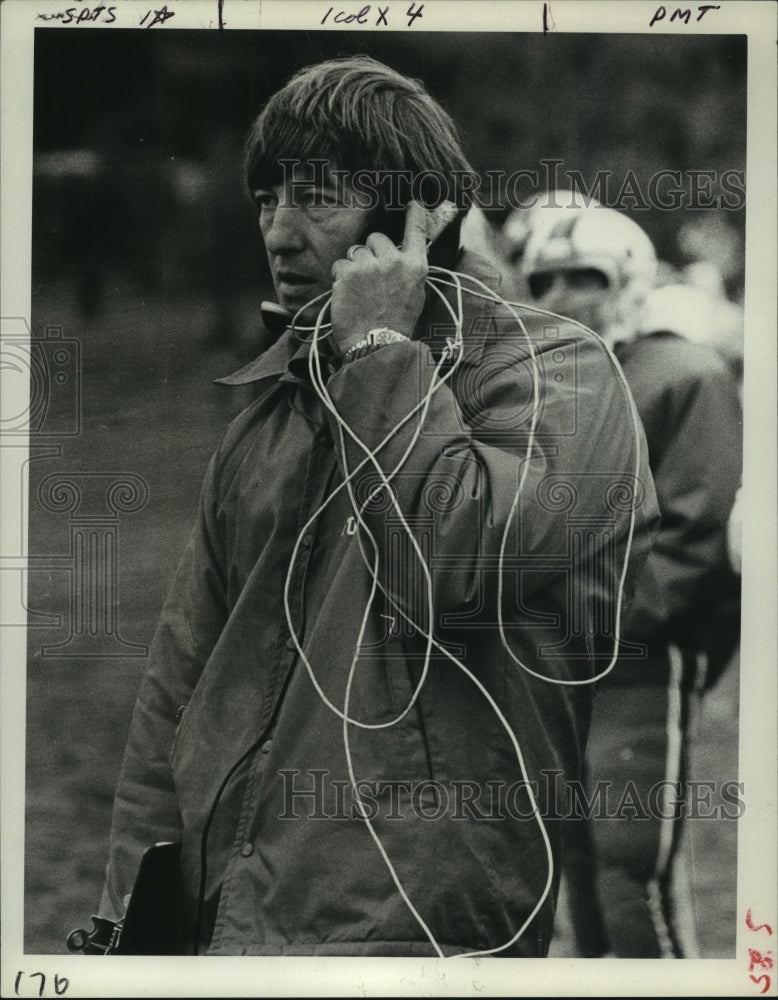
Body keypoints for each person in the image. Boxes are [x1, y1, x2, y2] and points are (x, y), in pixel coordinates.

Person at [94, 57, 657, 958]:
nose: (280, 232)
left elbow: (453, 566)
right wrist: (131, 914)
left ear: (414, 215)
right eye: (266, 198)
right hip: (234, 924)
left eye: (318, 197)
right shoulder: (268, 417)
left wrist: (383, 348)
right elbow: (180, 692)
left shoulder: (558, 375)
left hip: (414, 926)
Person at [519, 203, 743, 957]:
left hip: (639, 656)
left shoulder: (684, 374)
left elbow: (691, 545)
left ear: (630, 277)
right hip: (551, 669)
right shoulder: (536, 384)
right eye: (544, 278)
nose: (562, 292)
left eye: (584, 274)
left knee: (627, 871)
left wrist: (576, 615)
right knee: (571, 870)